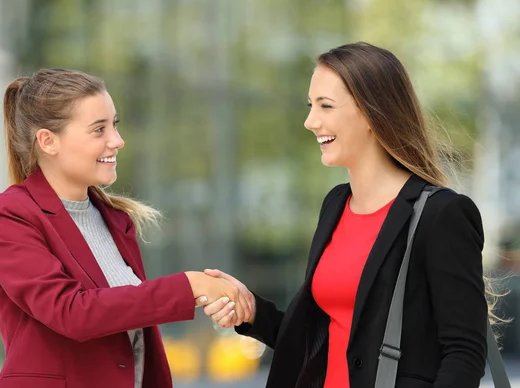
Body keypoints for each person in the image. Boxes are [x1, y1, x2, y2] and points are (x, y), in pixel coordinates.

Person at [202, 42, 491, 388]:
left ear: (372, 113)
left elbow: (464, 355)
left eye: (326, 106)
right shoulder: (335, 204)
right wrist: (253, 313)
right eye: (311, 106)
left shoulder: (441, 214)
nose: (310, 121)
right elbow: (320, 340)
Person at [0, 68, 250, 388]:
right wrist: (188, 286)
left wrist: (210, 293)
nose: (117, 141)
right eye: (99, 129)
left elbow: (130, 326)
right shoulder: (9, 214)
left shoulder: (113, 218)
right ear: (48, 141)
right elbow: (71, 312)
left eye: (115, 125)